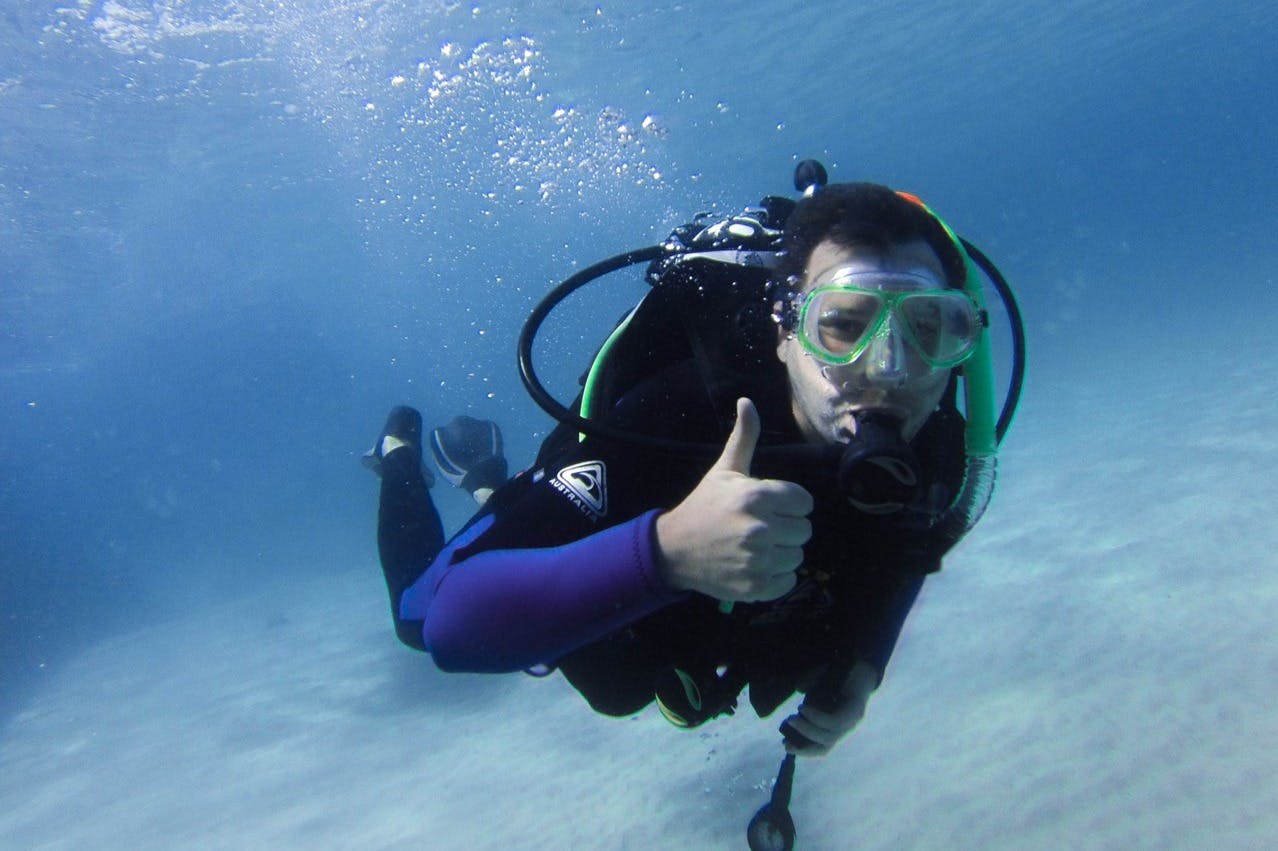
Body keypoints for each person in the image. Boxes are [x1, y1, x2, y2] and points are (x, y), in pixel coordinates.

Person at [365, 179, 998, 758]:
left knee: (622, 689)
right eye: (842, 324)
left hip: (687, 638)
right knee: (414, 616)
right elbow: (449, 624)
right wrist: (668, 552)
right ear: (784, 331)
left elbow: (909, 550)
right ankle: (400, 455)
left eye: (929, 327)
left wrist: (864, 664)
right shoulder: (674, 419)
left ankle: (485, 479)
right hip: (605, 534)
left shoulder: (939, 439)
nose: (890, 370)